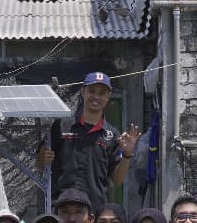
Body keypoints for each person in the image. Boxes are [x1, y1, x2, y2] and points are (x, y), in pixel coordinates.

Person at [34, 72, 140, 213]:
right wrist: (42, 158)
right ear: (83, 91)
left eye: (102, 93)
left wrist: (127, 154)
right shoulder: (61, 126)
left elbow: (117, 179)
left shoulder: (112, 135)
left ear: (108, 96)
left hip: (93, 213)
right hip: (60, 209)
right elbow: (39, 164)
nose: (96, 97)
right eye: (92, 91)